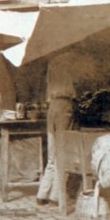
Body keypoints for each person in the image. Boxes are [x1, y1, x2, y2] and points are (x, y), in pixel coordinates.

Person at [36, 52, 76, 206]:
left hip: (52, 107)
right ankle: (55, 197)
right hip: (64, 106)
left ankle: (42, 194)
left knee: (52, 153)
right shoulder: (70, 61)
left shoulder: (52, 62)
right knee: (62, 152)